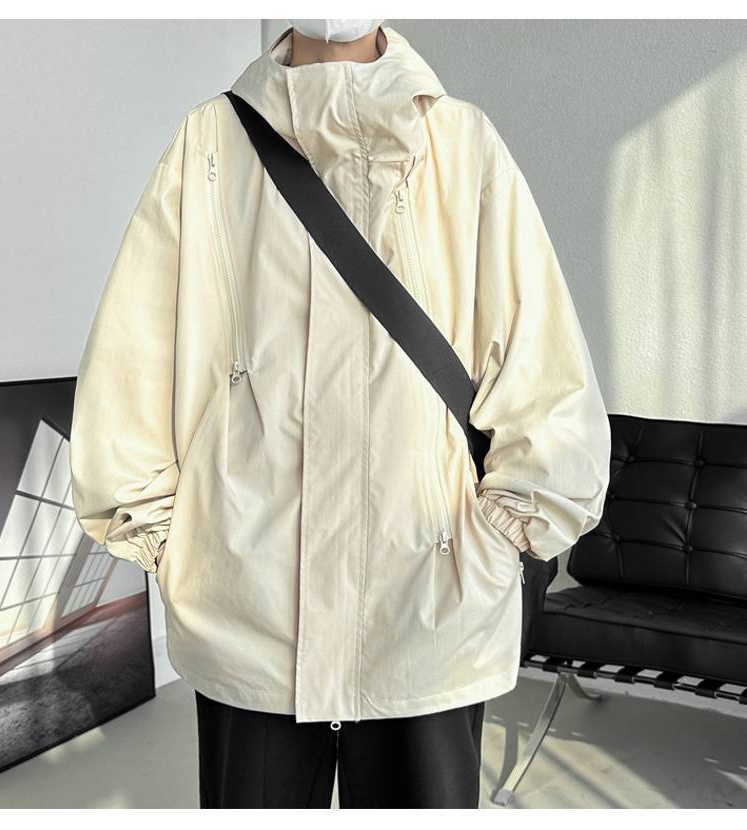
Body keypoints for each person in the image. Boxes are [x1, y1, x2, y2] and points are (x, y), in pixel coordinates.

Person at [69, 20, 611, 809]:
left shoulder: (463, 144)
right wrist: (182, 549)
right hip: (248, 608)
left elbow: (544, 372)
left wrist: (493, 547)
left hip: (430, 606)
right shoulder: (209, 144)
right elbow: (133, 362)